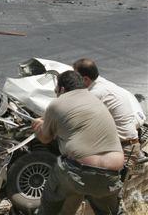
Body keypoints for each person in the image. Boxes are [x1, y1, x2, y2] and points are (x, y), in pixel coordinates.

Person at [32, 70, 124, 215]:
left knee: (50, 201)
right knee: (111, 212)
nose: (57, 94)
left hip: (79, 170)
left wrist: (37, 126)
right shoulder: (95, 100)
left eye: (56, 91)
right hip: (112, 173)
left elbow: (45, 138)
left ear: (62, 89)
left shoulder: (57, 103)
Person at [73, 58, 145, 163]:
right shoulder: (103, 83)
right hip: (126, 144)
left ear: (85, 79)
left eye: (75, 77)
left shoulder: (97, 93)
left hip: (123, 149)